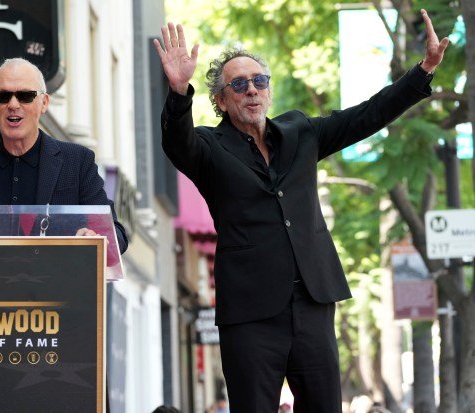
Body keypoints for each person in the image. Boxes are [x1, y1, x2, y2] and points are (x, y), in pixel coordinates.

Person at [152, 9, 447, 413]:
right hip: (251, 312)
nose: (251, 90)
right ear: (221, 100)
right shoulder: (208, 147)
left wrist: (423, 71)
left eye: (259, 81)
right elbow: (176, 141)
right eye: (238, 84)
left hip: (313, 299)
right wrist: (178, 90)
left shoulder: (299, 133)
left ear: (269, 90)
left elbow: (366, 116)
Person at [0, 58, 127, 252]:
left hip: (56, 280)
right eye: (3, 96)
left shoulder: (77, 163)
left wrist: (96, 238)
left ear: (44, 103)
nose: (13, 104)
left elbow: (115, 234)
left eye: (25, 96)